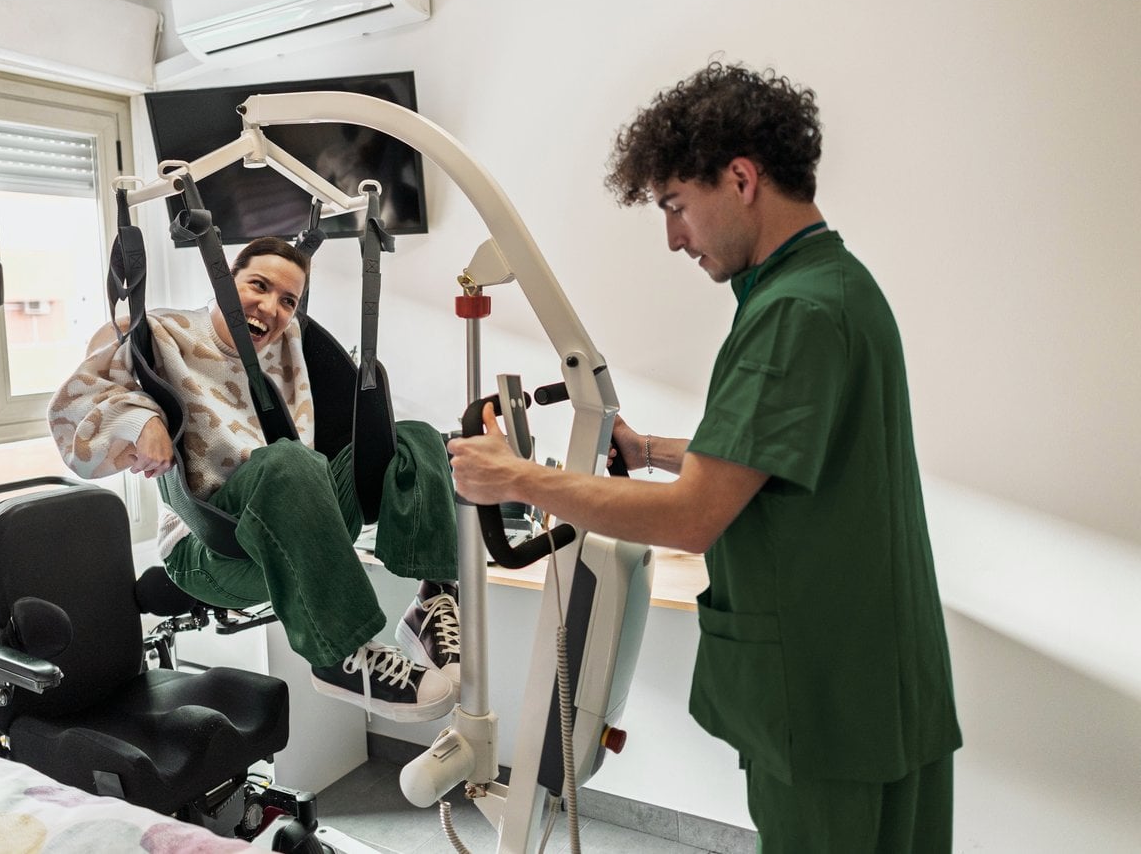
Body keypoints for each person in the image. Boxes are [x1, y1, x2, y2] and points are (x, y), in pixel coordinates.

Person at [447, 62, 962, 852]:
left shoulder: (788, 313)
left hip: (825, 707)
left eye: (676, 206)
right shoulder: (839, 286)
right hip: (884, 686)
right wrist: (647, 447)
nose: (673, 236)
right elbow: (778, 452)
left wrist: (515, 476)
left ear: (742, 178)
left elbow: (694, 515)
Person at [49, 236, 461, 723]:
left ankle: (432, 598)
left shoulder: (293, 342)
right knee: (284, 460)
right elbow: (76, 405)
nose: (270, 307)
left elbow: (348, 418)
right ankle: (339, 657)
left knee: (415, 436)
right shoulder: (163, 333)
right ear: (226, 278)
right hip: (211, 543)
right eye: (258, 286)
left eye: (287, 300)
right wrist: (142, 420)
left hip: (298, 520)